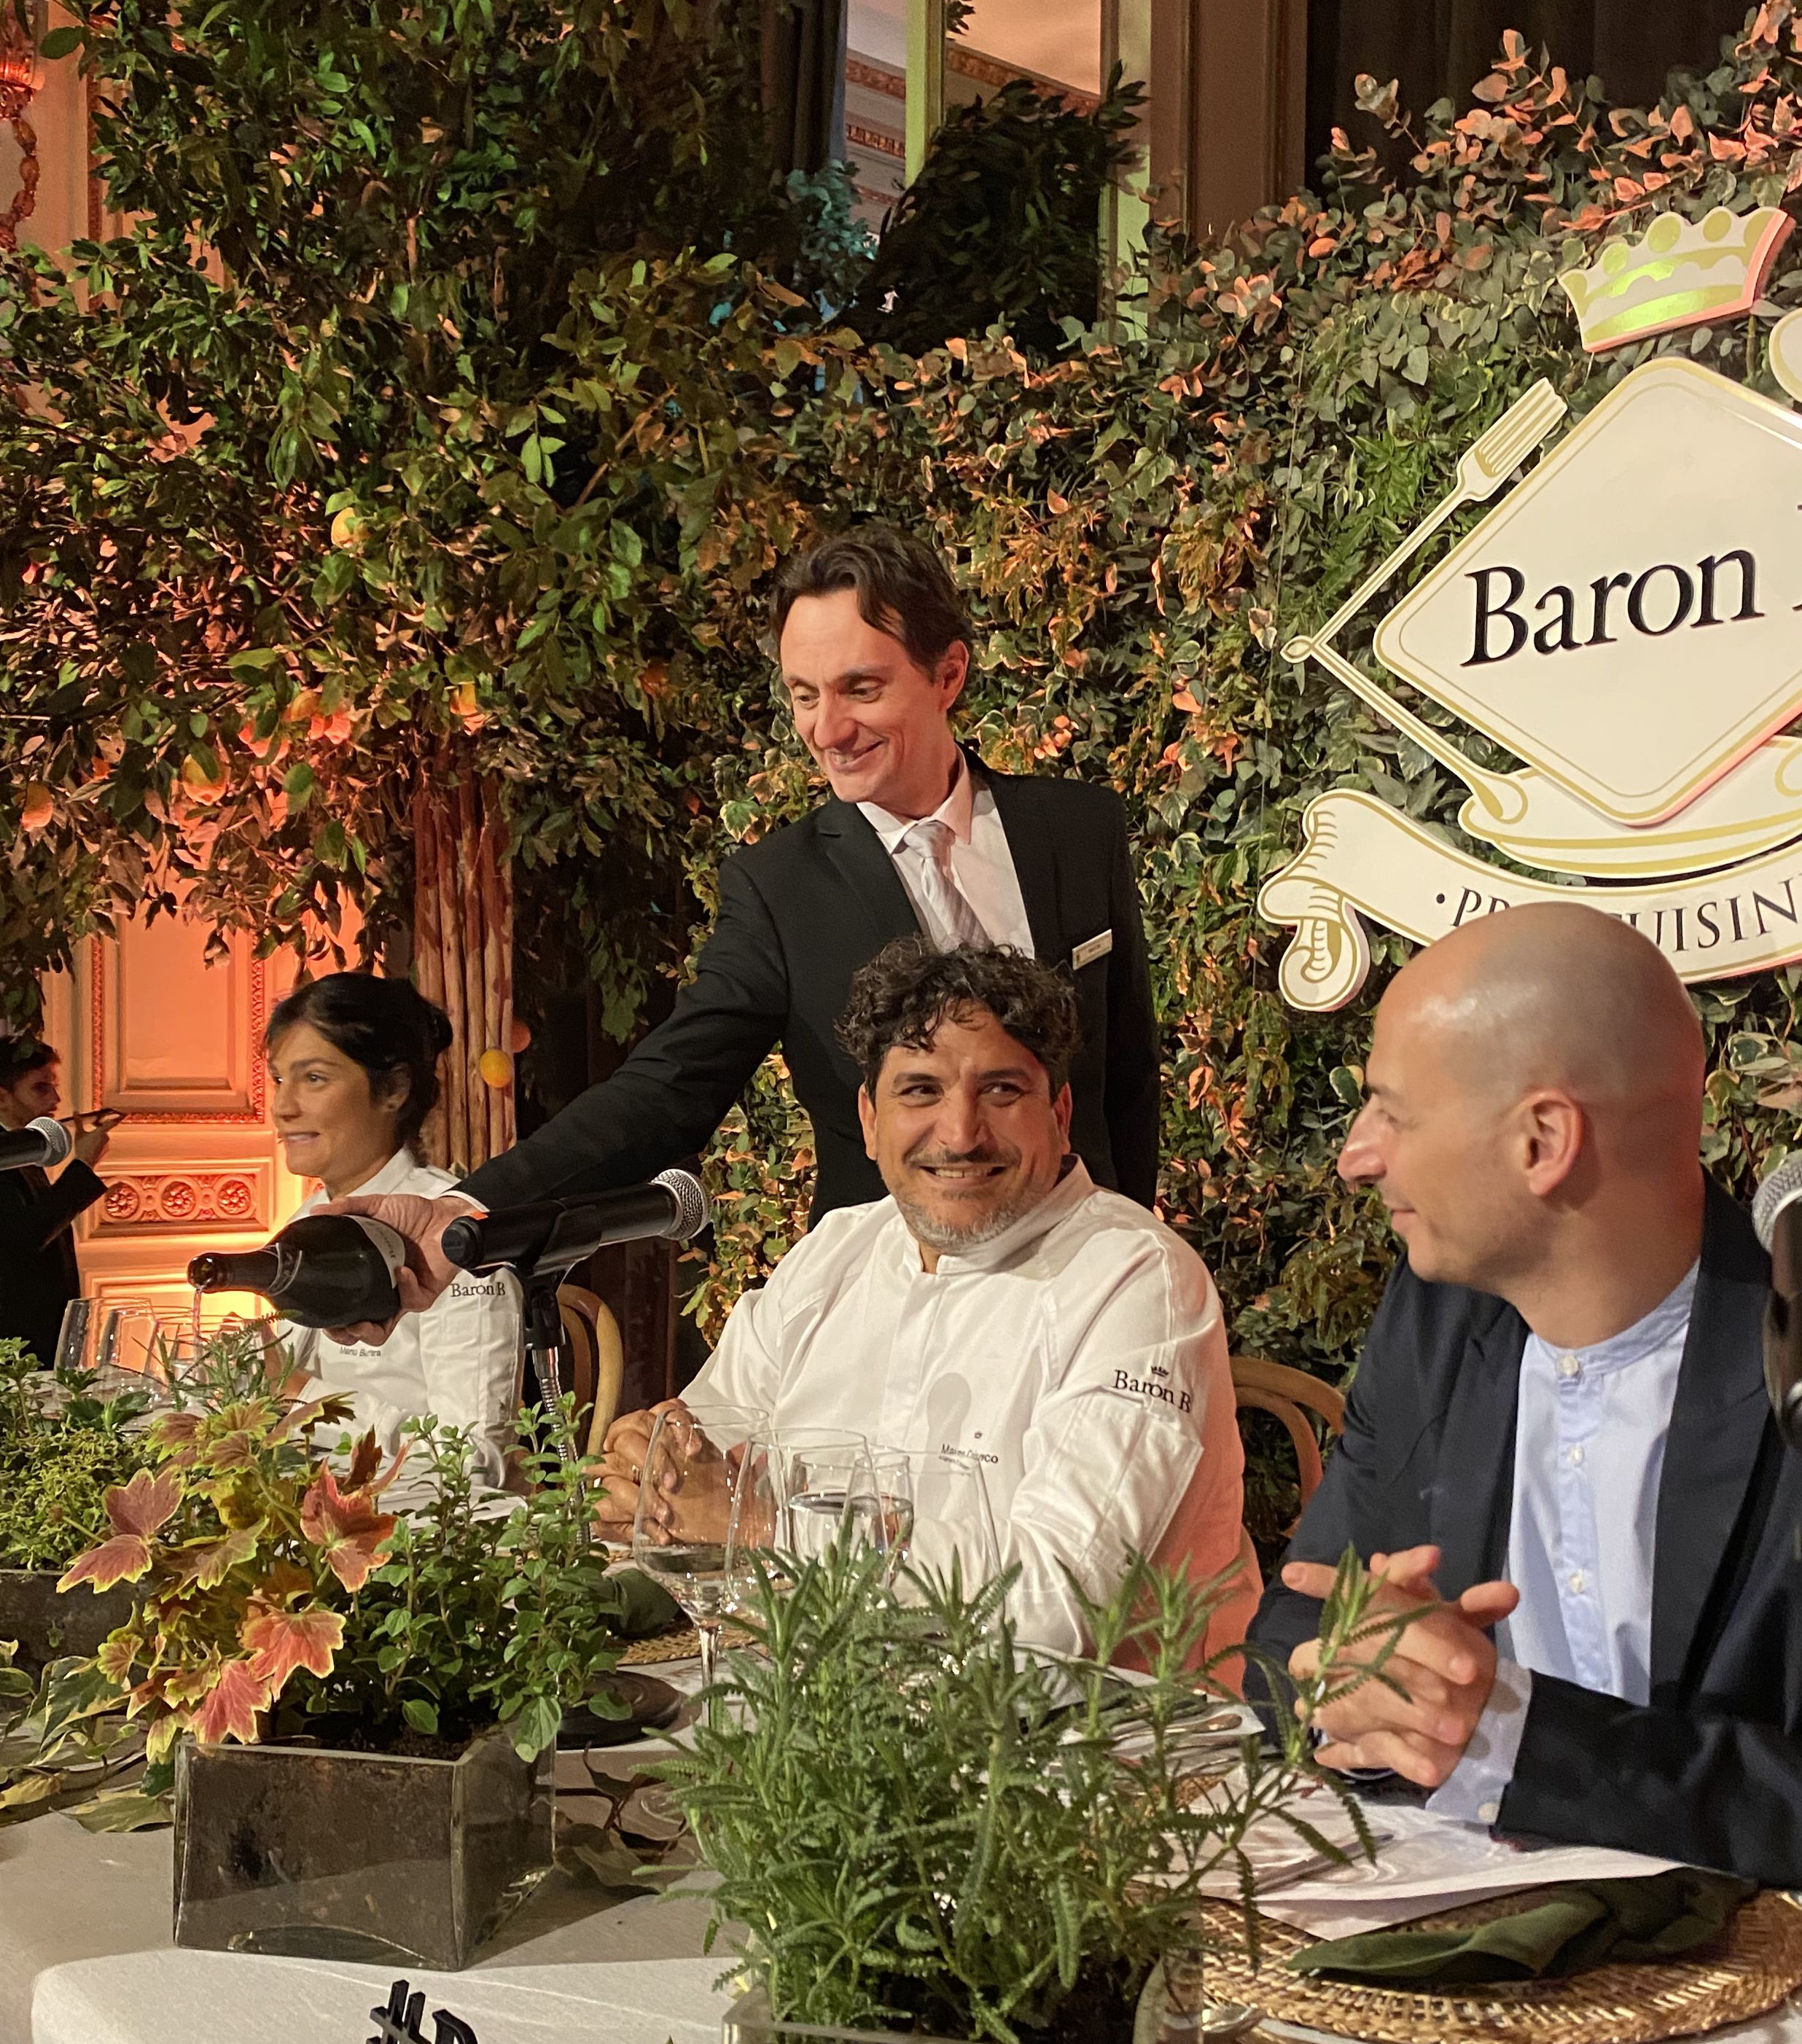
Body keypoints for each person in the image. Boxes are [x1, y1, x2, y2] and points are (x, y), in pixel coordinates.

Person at [1250, 905, 1802, 1914]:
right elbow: (1291, 1624)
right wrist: (1375, 1683)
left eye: (1390, 1111)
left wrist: (1508, 1737)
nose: (1357, 1154)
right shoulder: (1434, 1318)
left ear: (1544, 1140)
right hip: (1473, 1948)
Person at [332, 523, 1161, 1311]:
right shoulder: (778, 885)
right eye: (804, 696)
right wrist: (472, 1209)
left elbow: (1124, 1078)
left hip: (1082, 1291)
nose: (826, 730)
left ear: (947, 676)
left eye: (860, 690)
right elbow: (668, 1090)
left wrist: (1127, 1259)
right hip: (895, 1304)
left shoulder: (1077, 830)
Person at [594, 940, 1253, 1660]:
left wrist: (762, 1528)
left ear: (1060, 1112)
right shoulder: (835, 1254)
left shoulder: (1134, 1281)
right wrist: (654, 1474)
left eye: (1002, 1091)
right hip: (817, 1714)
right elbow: (706, 1447)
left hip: (1091, 1750)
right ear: (870, 1121)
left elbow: (1059, 1608)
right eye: (920, 1091)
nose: (961, 1133)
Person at [263, 976, 524, 1494]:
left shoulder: (455, 1240)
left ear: (395, 1090)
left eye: (313, 1078)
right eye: (277, 1080)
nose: (282, 1106)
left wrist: (303, 1399)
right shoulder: (305, 1222)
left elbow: (470, 1460)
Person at [0, 1037, 114, 1367]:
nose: (56, 1099)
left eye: (53, 1087)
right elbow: (24, 1238)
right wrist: (82, 1166)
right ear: (0, 1097)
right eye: (40, 1089)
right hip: (8, 1344)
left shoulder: (21, 1147)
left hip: (36, 1334)